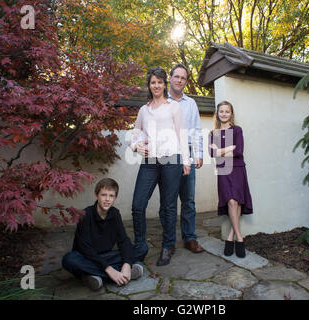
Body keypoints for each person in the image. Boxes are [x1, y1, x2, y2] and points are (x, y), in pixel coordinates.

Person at [130, 66, 191, 267]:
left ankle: (167, 246)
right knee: (138, 206)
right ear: (149, 85)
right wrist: (136, 145)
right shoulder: (143, 110)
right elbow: (136, 132)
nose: (156, 85)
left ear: (165, 84)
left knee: (168, 206)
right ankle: (140, 246)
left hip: (171, 161)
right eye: (153, 82)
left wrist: (186, 161)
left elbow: (182, 133)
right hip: (149, 163)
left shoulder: (173, 107)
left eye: (159, 82)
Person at [62, 178, 144, 291]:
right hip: (87, 258)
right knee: (69, 259)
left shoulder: (115, 214)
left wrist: (127, 264)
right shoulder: (85, 215)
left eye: (111, 196)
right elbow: (84, 249)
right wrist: (109, 269)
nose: (107, 199)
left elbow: (123, 241)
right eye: (103, 195)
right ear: (96, 196)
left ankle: (94, 276)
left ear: (115, 198)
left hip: (107, 256)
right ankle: (117, 275)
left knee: (142, 248)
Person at [209, 101, 253, 258]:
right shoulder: (212, 133)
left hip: (238, 168)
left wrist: (220, 150)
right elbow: (211, 154)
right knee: (231, 202)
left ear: (231, 114)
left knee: (237, 201)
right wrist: (229, 149)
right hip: (223, 170)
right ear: (217, 113)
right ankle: (239, 238)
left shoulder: (237, 130)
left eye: (227, 111)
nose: (224, 114)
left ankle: (232, 237)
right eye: (221, 111)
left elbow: (239, 150)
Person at [168, 63, 204, 254]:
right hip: (168, 156)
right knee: (169, 200)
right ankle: (169, 241)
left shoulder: (191, 103)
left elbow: (197, 130)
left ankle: (190, 238)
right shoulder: (161, 101)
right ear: (170, 78)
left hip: (188, 154)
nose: (180, 80)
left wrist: (198, 154)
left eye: (183, 78)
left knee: (188, 200)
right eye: (177, 76)